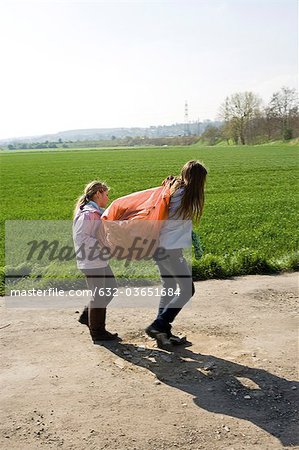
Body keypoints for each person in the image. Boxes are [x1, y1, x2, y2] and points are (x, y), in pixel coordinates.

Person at [145, 160, 207, 348]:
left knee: (169, 286)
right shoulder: (186, 195)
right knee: (188, 289)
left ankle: (162, 333)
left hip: (158, 247)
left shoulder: (173, 191)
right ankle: (158, 325)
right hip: (170, 250)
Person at [73, 180, 119, 343]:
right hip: (91, 261)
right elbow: (81, 237)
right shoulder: (87, 214)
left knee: (111, 288)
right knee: (99, 295)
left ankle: (87, 316)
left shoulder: (96, 211)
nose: (107, 197)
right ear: (98, 193)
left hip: (99, 260)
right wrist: (102, 245)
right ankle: (98, 332)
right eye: (106, 194)